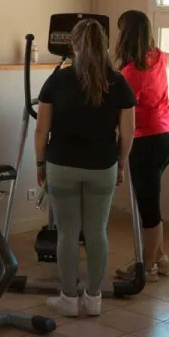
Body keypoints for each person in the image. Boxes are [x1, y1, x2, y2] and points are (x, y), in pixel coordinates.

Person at [35, 18, 136, 317]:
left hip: (62, 165)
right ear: (104, 45)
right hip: (102, 165)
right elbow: (128, 132)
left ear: (73, 45)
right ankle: (93, 299)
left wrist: (40, 164)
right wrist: (120, 164)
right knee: (97, 232)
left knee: (67, 233)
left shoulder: (57, 80)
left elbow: (41, 130)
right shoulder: (118, 82)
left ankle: (68, 298)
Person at [114, 10, 169, 283]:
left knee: (148, 205)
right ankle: (160, 257)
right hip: (168, 137)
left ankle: (147, 265)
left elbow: (123, 113)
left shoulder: (130, 73)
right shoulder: (161, 57)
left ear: (125, 35)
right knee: (152, 197)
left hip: (147, 141)